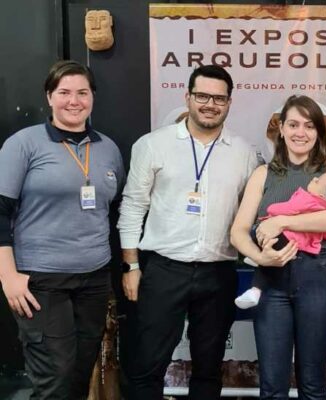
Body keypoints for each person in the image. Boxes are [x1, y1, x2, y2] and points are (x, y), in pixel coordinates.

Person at [117, 65, 258, 400]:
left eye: (218, 98)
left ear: (229, 103)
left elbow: (251, 213)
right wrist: (131, 266)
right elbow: (133, 207)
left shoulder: (244, 153)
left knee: (209, 369)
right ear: (188, 97)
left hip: (218, 273)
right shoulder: (153, 145)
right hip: (163, 270)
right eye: (202, 96)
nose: (210, 104)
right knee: (148, 365)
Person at [0, 60, 125, 399]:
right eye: (64, 92)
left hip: (94, 279)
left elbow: (113, 209)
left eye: (82, 92)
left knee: (79, 376)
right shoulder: (23, 144)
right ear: (49, 96)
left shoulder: (108, 148)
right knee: (54, 379)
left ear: (93, 97)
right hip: (42, 280)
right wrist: (7, 276)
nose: (74, 101)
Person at [230, 94, 326, 399]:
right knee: (272, 386)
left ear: (319, 132)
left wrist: (282, 222)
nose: (301, 132)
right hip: (272, 282)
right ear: (281, 129)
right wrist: (261, 258)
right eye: (293, 124)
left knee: (312, 384)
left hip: (319, 277)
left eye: (310, 126)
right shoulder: (263, 174)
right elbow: (238, 232)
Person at [235, 170, 326, 309]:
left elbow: (285, 208)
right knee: (269, 264)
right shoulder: (325, 209)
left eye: (318, 181)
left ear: (321, 195)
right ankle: (256, 283)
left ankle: (255, 290)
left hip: (283, 239)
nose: (314, 178)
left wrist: (272, 210)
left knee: (259, 238)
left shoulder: (307, 200)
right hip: (298, 248)